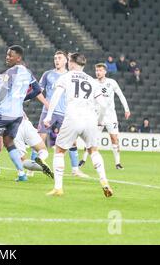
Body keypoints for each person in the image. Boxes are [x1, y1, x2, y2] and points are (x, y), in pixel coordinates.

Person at [43, 53, 113, 197]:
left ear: (72, 63)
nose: (68, 63)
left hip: (73, 117)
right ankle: (104, 181)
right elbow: (104, 105)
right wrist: (100, 120)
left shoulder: (66, 77)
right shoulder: (92, 81)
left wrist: (49, 116)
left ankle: (58, 188)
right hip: (90, 119)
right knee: (94, 150)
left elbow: (56, 96)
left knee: (60, 151)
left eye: (69, 61)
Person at [0, 45, 41, 182]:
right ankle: (21, 173)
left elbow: (2, 93)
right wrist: (22, 98)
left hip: (4, 112)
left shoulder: (10, 72)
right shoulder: (28, 72)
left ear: (18, 58)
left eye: (10, 55)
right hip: (17, 114)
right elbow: (37, 90)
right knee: (8, 141)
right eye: (7, 55)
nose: (7, 57)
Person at [34, 51, 88, 178]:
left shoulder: (72, 76)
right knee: (39, 139)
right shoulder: (48, 74)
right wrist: (47, 104)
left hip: (66, 113)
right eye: (55, 58)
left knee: (73, 141)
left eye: (59, 58)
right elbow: (37, 91)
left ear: (66, 61)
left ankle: (75, 170)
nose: (56, 60)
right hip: (48, 112)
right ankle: (32, 168)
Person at [80, 63, 130, 170]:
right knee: (92, 138)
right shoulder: (92, 83)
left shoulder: (112, 82)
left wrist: (127, 109)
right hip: (97, 116)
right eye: (97, 70)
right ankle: (83, 160)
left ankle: (118, 163)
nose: (98, 72)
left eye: (100, 70)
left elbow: (121, 95)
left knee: (114, 139)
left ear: (105, 72)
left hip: (111, 116)